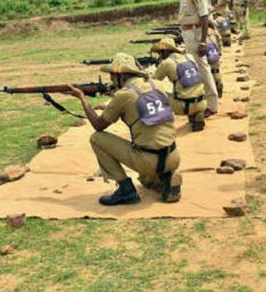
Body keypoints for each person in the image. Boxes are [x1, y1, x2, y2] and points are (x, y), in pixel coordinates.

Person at [67, 53, 182, 204]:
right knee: (146, 179)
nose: (111, 80)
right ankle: (167, 176)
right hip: (173, 156)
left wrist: (82, 98)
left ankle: (125, 190)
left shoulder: (123, 95)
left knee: (97, 138)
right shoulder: (157, 84)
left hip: (147, 160)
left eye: (113, 76)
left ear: (121, 76)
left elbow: (98, 125)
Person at [172, 0, 219, 117]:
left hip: (196, 34)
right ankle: (206, 101)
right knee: (199, 70)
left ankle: (212, 105)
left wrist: (203, 41)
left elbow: (204, 16)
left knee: (203, 69)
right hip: (189, 33)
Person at [151, 38, 207, 132]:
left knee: (157, 94)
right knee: (189, 88)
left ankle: (160, 126)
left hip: (184, 106)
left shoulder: (167, 63)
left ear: (164, 52)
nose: (159, 56)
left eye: (160, 53)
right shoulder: (189, 57)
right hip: (202, 101)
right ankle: (196, 114)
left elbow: (154, 80)